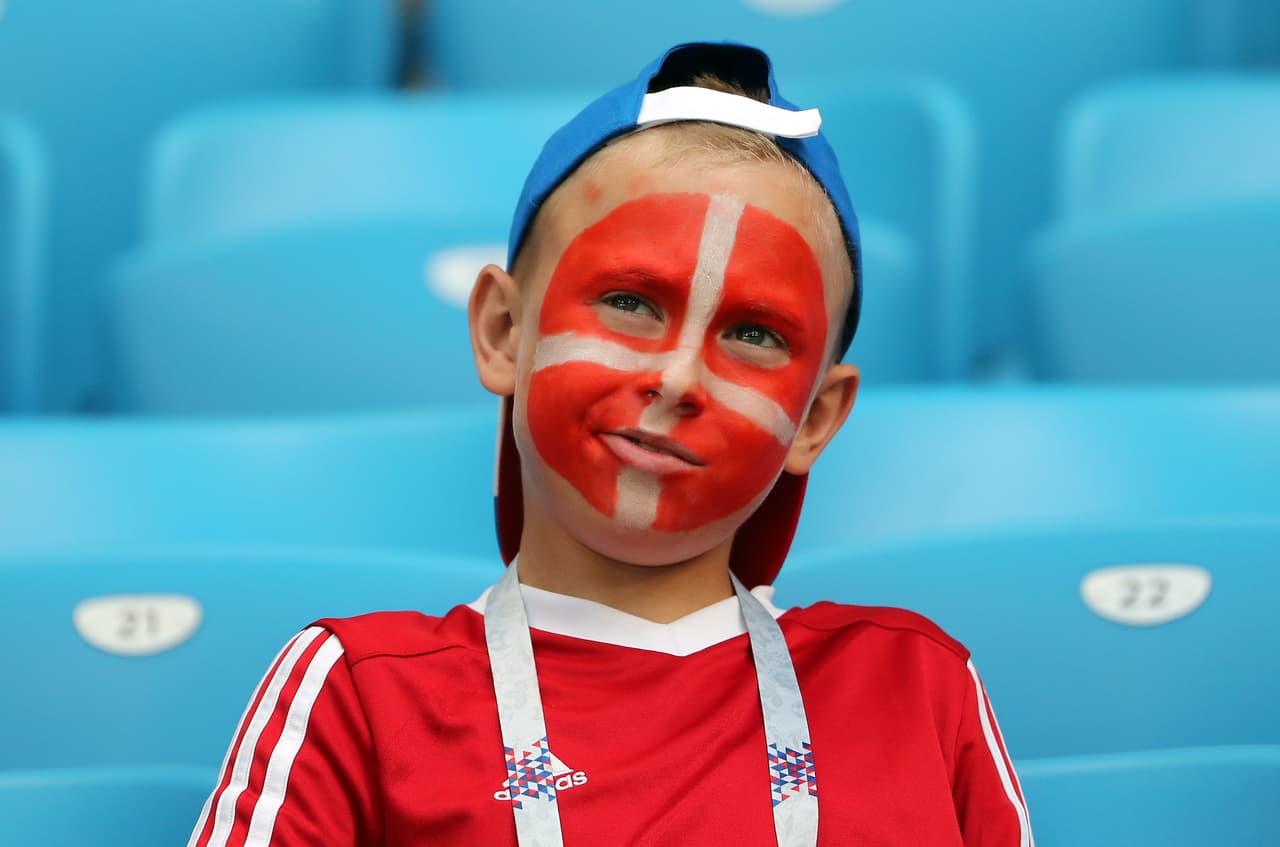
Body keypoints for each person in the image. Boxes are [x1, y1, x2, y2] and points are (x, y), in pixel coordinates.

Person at [186, 42, 1032, 847]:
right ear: (504, 330)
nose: (676, 378)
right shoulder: (358, 691)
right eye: (630, 302)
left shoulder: (917, 687)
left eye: (753, 332)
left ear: (816, 415)